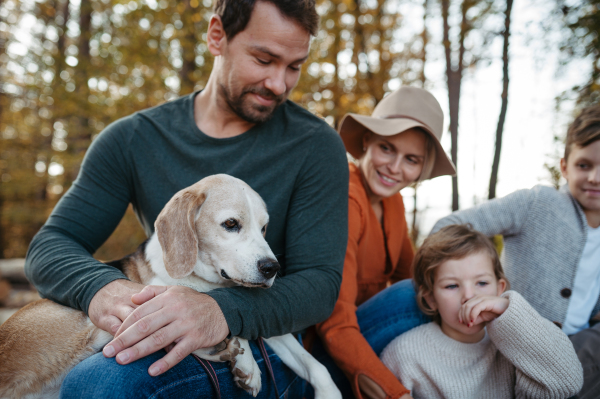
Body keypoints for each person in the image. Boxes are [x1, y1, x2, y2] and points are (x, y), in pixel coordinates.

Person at [23, 1, 349, 398]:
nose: (279, 83)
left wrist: (220, 313)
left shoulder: (316, 145)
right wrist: (103, 289)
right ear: (217, 36)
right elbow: (50, 246)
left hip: (268, 340)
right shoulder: (131, 139)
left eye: (294, 66)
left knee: (101, 382)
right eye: (264, 59)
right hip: (170, 318)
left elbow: (320, 284)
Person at [431, 104, 600, 398]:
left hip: (584, 339)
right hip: (524, 342)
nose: (595, 178)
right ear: (564, 167)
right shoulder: (538, 204)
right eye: (584, 165)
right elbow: (448, 225)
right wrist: (480, 280)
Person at [309, 86, 456, 399]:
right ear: (367, 142)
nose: (395, 167)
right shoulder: (346, 198)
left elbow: (409, 272)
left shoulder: (393, 202)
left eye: (411, 159)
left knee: (431, 288)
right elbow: (334, 320)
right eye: (387, 148)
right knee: (413, 296)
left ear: (421, 168)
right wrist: (394, 393)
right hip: (322, 347)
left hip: (364, 331)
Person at [380, 224, 583, 399]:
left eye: (482, 283)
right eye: (451, 286)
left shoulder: (517, 343)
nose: (469, 296)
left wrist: (507, 309)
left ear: (500, 289)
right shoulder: (404, 353)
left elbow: (568, 383)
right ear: (431, 299)